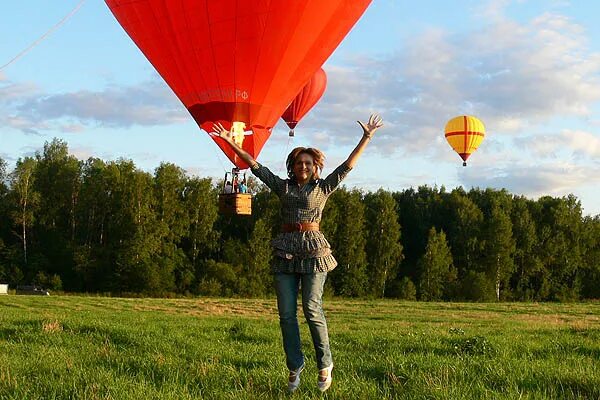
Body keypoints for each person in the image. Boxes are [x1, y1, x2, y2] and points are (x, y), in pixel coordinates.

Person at [212, 114, 383, 392]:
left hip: (314, 250)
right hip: (286, 249)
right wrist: (232, 143)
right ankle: (295, 367)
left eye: (308, 162)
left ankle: (325, 364)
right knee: (286, 315)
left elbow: (348, 166)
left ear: (314, 166)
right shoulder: (283, 186)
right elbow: (256, 167)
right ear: (292, 166)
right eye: (298, 162)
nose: (303, 166)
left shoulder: (323, 187)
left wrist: (366, 137)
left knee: (312, 308)